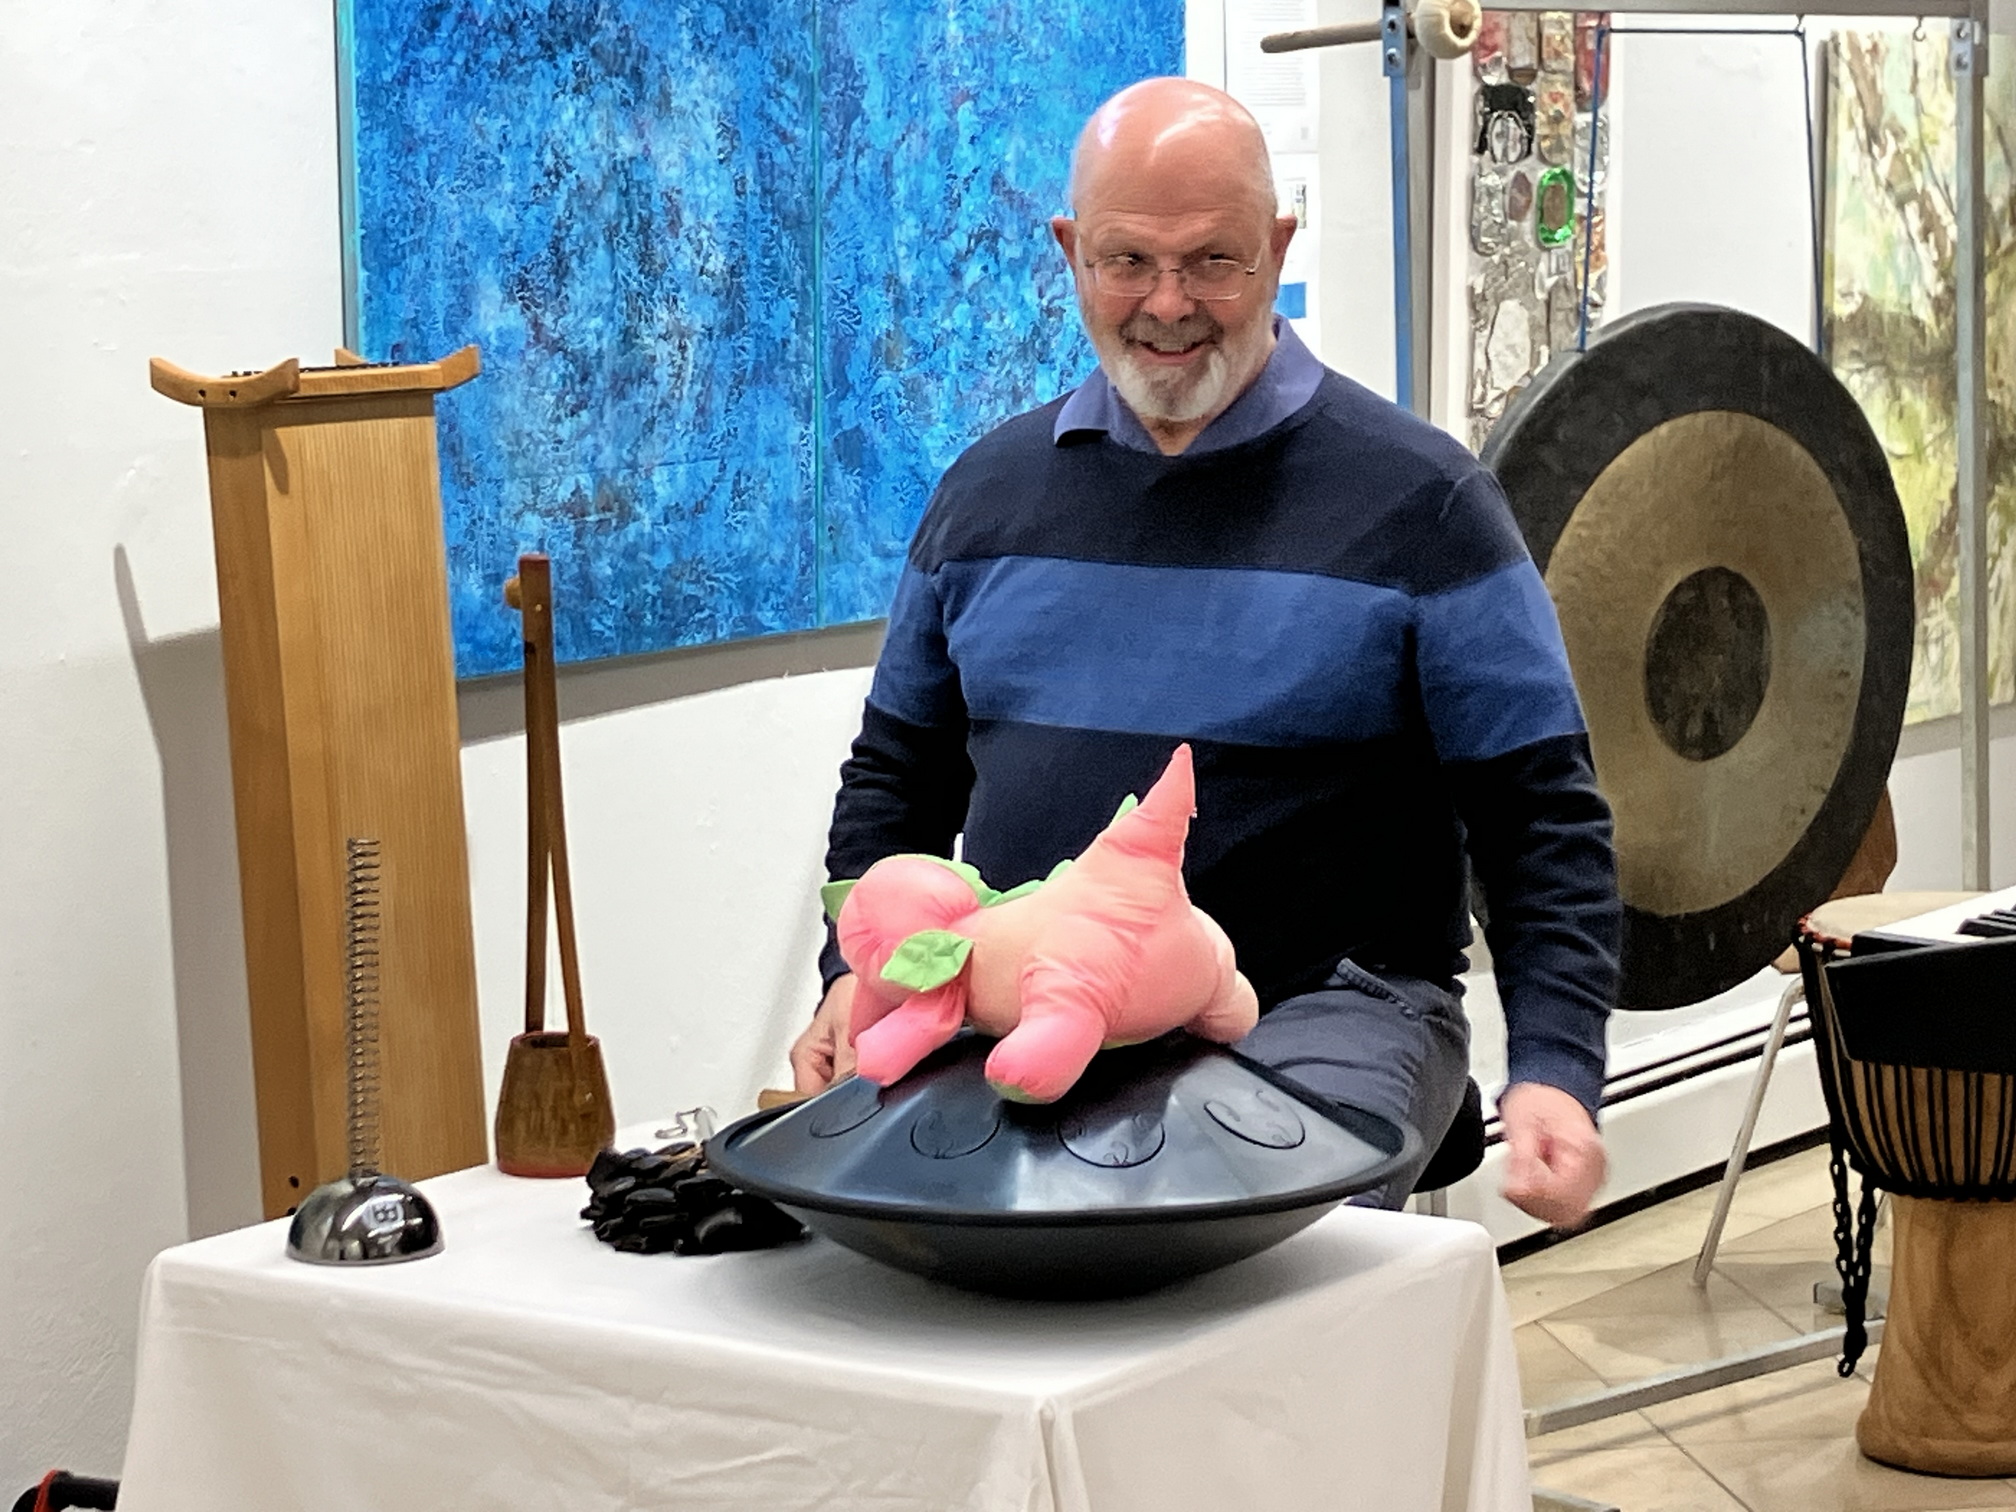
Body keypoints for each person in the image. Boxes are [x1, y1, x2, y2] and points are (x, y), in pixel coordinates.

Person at [792, 76, 1616, 1229]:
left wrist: (1556, 1066)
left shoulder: (1426, 504)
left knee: (1229, 1246)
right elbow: (897, 779)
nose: (1169, 303)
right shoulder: (983, 498)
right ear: (1072, 252)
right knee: (880, 1235)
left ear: (1277, 247)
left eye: (1212, 261)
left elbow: (1540, 814)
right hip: (1027, 1008)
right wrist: (856, 978)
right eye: (1127, 261)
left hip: (1326, 1009)